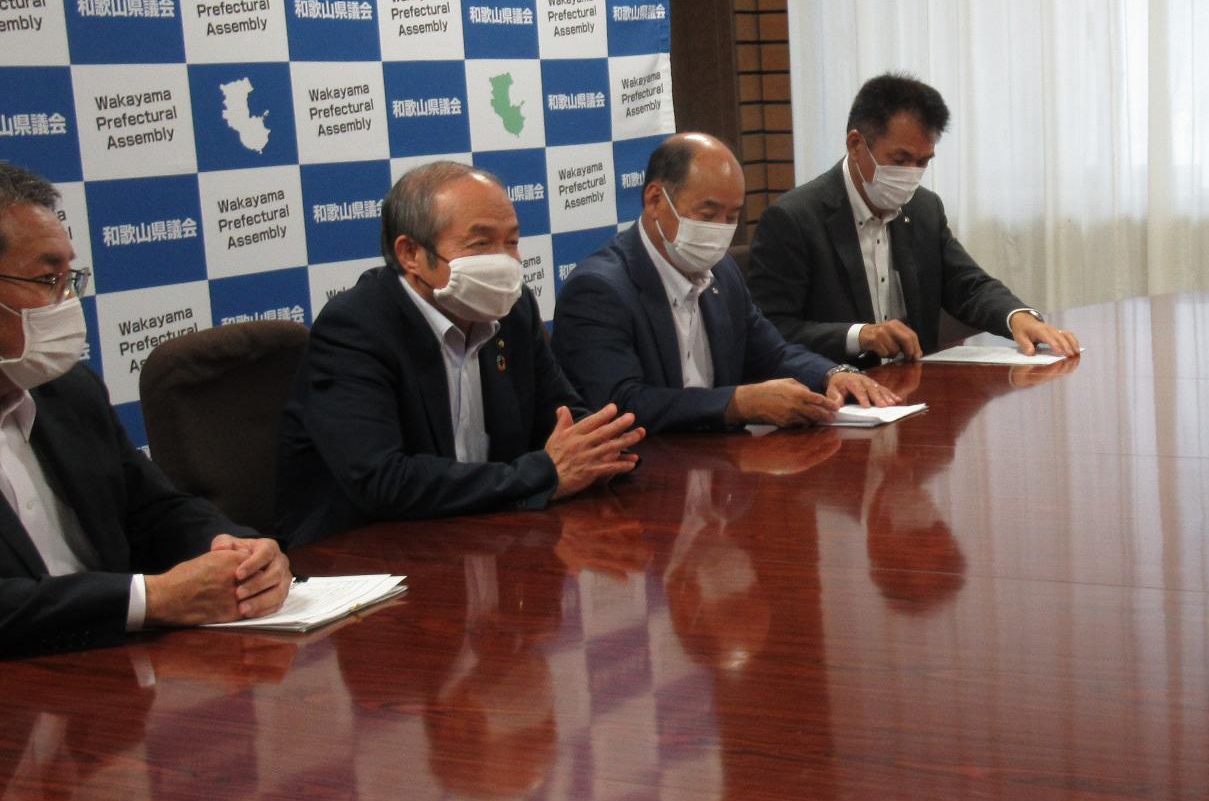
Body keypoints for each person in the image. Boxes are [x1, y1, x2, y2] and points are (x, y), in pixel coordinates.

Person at [0, 163, 292, 655]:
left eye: (72, 280)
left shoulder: (67, 390)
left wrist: (240, 553)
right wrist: (149, 599)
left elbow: (155, 510)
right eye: (48, 279)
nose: (68, 302)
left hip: (117, 679)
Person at [278, 161, 644, 548]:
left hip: (484, 536)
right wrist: (546, 472)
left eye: (513, 242)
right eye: (481, 243)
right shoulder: (356, 327)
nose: (505, 261)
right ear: (411, 254)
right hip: (366, 558)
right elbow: (382, 480)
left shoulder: (514, 310)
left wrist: (602, 449)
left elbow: (562, 416)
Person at [555, 133, 899, 431]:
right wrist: (736, 403)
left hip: (720, 471)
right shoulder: (599, 290)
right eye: (707, 215)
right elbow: (621, 405)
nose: (720, 229)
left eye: (732, 216)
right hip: (646, 479)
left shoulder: (724, 272)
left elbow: (773, 353)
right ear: (655, 200)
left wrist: (832, 374)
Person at [746, 73, 1080, 363]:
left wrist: (1017, 317)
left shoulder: (923, 209)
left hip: (917, 389)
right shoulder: (793, 219)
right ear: (855, 144)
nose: (911, 174)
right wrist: (858, 336)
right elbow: (772, 329)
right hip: (835, 399)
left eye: (923, 162)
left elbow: (968, 286)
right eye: (900, 159)